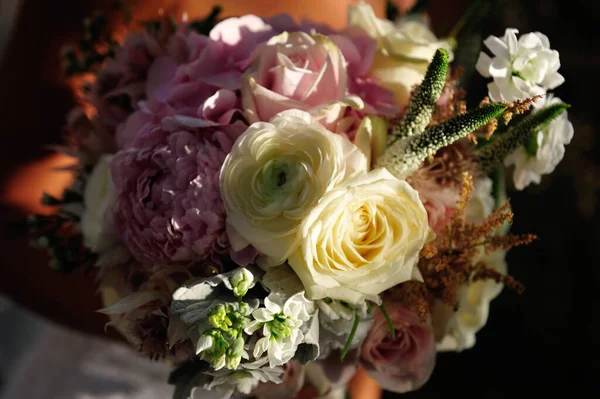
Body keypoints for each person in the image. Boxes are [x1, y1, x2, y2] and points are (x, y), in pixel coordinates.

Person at [0, 0, 468, 398]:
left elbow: (391, 298)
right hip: (122, 369)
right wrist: (198, 326)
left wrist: (342, 365)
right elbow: (13, 213)